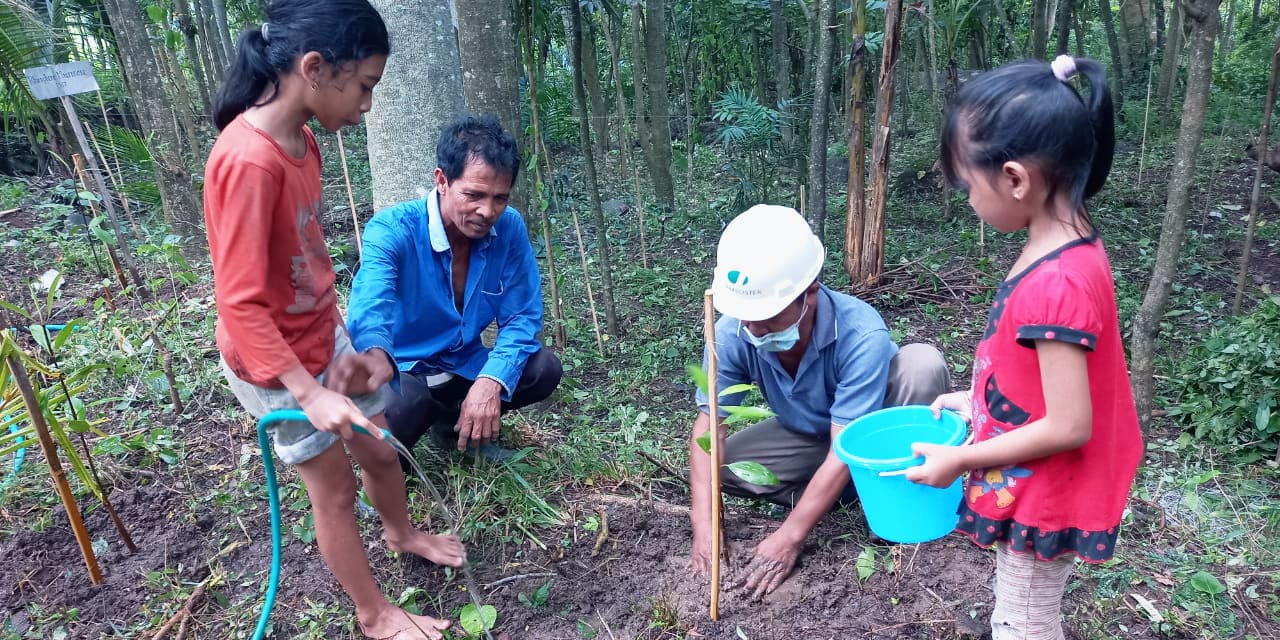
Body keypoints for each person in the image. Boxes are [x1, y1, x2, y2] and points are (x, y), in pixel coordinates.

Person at [204, 2, 464, 638]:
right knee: (336, 490)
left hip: (323, 336)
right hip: (273, 363)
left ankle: (402, 533)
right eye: (365, 86)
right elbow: (241, 304)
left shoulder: (305, 141)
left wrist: (339, 336)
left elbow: (304, 257)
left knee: (381, 447)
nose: (367, 105)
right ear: (315, 68)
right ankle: (375, 615)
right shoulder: (248, 161)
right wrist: (308, 390)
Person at [905, 55, 1142, 640]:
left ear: (1015, 179)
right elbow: (1043, 380)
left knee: (1024, 621)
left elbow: (1069, 425)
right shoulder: (1062, 243)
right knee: (1020, 608)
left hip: (1049, 491)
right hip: (1039, 478)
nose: (968, 201)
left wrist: (960, 460)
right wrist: (977, 403)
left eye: (968, 186)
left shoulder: (1055, 283)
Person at [687, 204, 950, 598]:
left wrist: (789, 538)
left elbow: (846, 445)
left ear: (810, 291)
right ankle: (850, 493)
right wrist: (705, 526)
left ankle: (891, 496)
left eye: (768, 316)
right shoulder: (731, 333)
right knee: (727, 467)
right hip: (810, 434)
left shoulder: (859, 332)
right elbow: (709, 431)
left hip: (874, 432)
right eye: (746, 316)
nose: (754, 328)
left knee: (921, 365)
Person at [346, 114, 561, 462]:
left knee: (542, 369)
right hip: (405, 369)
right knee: (399, 408)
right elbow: (371, 305)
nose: (487, 211)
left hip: (462, 363)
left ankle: (452, 429)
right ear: (442, 180)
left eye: (500, 198)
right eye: (474, 194)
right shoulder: (393, 230)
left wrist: (491, 380)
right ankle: (393, 460)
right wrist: (375, 359)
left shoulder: (509, 229)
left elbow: (522, 316)